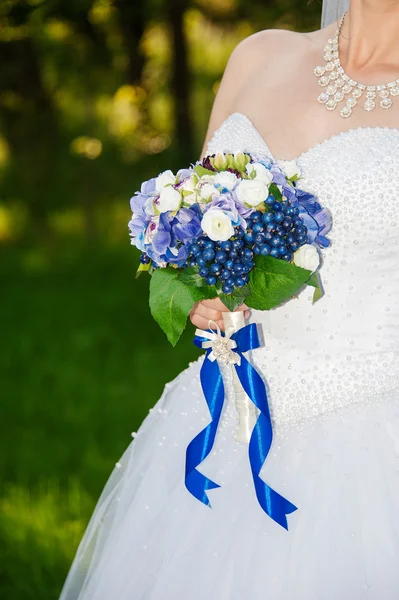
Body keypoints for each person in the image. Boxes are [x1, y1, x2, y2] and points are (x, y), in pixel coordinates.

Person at [60, 0, 399, 597]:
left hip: (370, 425)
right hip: (224, 407)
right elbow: (197, 217)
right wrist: (199, 289)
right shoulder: (258, 56)